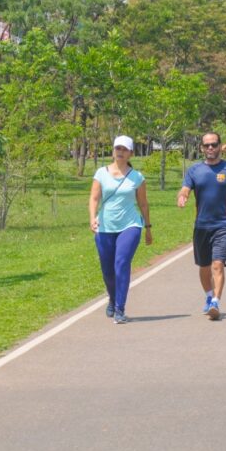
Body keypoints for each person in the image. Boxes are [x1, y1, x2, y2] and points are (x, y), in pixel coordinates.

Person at [89, 135, 153, 324]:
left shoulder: (137, 177)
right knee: (108, 270)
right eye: (118, 148)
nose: (120, 152)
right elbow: (94, 198)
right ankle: (112, 297)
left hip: (130, 225)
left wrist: (148, 227)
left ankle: (120, 309)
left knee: (121, 263)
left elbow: (143, 204)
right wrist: (92, 218)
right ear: (113, 151)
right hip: (105, 227)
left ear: (131, 153)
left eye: (124, 149)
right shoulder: (101, 173)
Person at [177, 131, 226, 321]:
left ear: (220, 146)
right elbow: (185, 189)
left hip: (223, 225)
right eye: (207, 145)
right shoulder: (194, 170)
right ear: (202, 148)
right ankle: (208, 295)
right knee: (204, 267)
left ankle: (215, 302)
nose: (210, 148)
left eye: (214, 144)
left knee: (218, 264)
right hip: (202, 226)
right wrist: (182, 196)